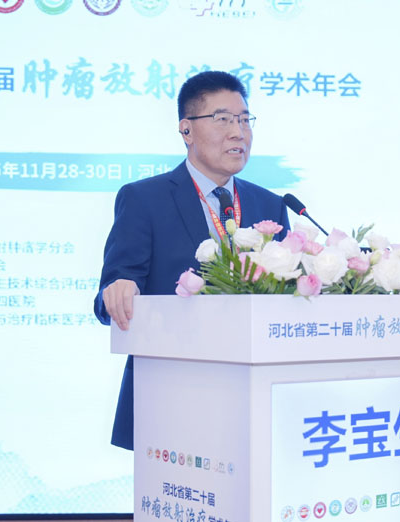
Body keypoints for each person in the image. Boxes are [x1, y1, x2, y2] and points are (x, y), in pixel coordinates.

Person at [94, 70, 291, 450]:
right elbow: (111, 293)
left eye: (244, 120)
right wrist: (118, 289)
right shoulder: (144, 199)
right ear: (186, 129)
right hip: (169, 396)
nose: (238, 133)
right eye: (223, 120)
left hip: (253, 401)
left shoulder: (270, 205)